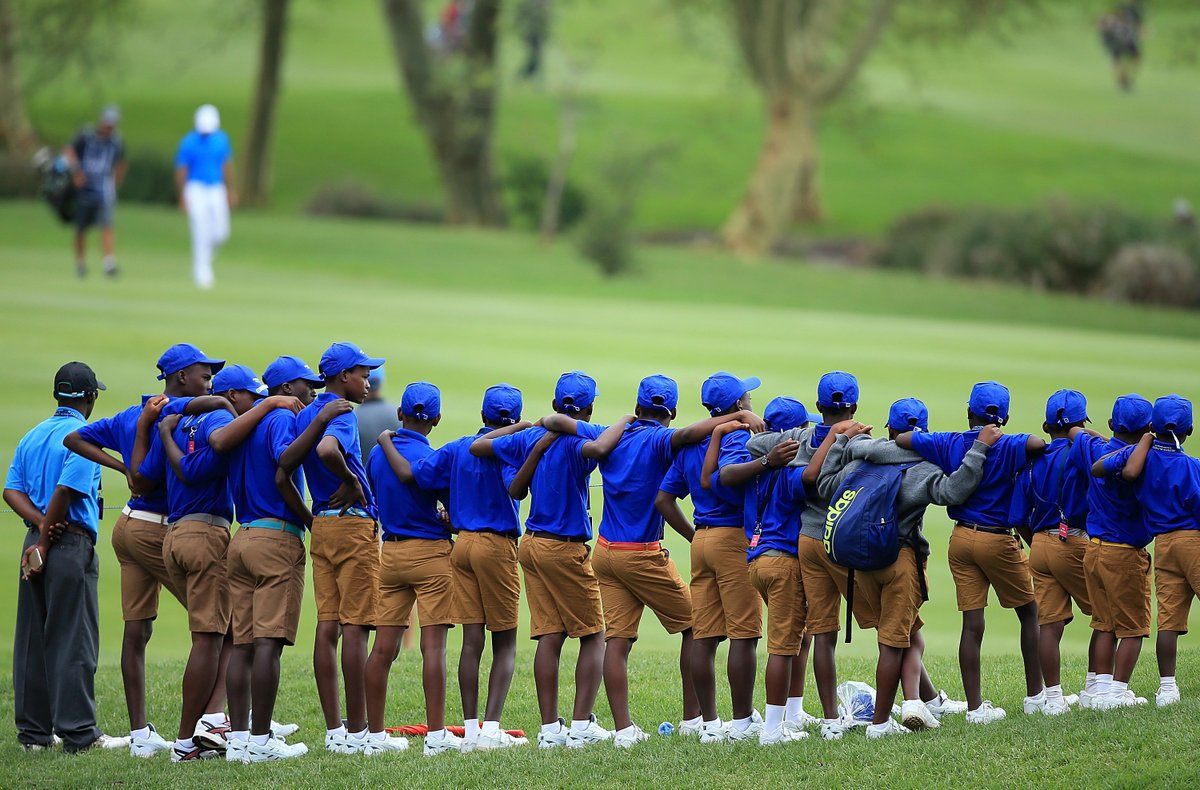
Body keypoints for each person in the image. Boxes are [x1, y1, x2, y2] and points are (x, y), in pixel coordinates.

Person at [548, 375, 763, 745]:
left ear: (636, 408)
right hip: (642, 554)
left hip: (605, 551)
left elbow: (556, 422)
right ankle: (695, 719)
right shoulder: (662, 440)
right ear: (673, 412)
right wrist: (739, 419)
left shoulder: (609, 433)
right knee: (697, 628)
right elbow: (688, 434)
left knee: (617, 640)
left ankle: (624, 731)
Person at [63, 343, 225, 756]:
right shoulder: (177, 415)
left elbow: (75, 437)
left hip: (128, 527)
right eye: (205, 375)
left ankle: (140, 736)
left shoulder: (132, 414)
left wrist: (116, 466)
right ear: (182, 377)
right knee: (221, 627)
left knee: (137, 630)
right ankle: (214, 723)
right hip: (160, 532)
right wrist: (127, 470)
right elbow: (144, 478)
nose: (210, 382)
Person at [135, 366, 302, 762]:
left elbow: (176, 470)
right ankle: (192, 740)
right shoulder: (222, 420)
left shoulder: (181, 423)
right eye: (251, 395)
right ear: (233, 396)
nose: (257, 401)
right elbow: (226, 447)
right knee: (219, 640)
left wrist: (158, 432)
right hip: (209, 535)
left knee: (232, 638)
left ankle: (231, 729)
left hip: (183, 533)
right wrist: (273, 404)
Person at [814, 399, 1000, 738]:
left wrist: (842, 442)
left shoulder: (862, 456)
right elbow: (953, 492)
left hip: (861, 562)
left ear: (889, 429)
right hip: (899, 562)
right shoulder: (924, 467)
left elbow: (825, 485)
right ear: (923, 435)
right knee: (894, 643)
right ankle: (881, 723)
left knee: (908, 634)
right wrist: (978, 451)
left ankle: (922, 699)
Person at [470, 372, 618, 749]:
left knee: (550, 635)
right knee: (594, 634)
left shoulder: (527, 438)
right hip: (563, 548)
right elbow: (602, 447)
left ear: (554, 405)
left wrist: (529, 431)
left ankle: (551, 729)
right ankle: (582, 724)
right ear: (588, 409)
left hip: (531, 545)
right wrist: (623, 422)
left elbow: (480, 447)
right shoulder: (578, 441)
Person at [377, 384, 529, 752]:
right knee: (505, 643)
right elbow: (518, 491)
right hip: (497, 546)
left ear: (482, 416)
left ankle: (472, 729)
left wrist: (385, 441)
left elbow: (414, 475)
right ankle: (491, 730)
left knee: (472, 640)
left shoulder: (457, 447)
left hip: (461, 547)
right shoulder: (514, 448)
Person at [894, 381, 1046, 724]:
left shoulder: (947, 441)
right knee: (1030, 614)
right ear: (1004, 417)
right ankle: (1036, 696)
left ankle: (976, 709)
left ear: (968, 412)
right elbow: (1038, 444)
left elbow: (902, 439)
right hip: (999, 541)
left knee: (972, 624)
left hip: (961, 540)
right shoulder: (1010, 445)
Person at [4, 362, 127, 753]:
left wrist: (38, 528)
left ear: (58, 396)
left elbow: (11, 491)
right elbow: (67, 489)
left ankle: (35, 736)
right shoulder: (84, 437)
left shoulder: (33, 435)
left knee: (32, 640)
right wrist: (47, 534)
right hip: (68, 544)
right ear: (90, 398)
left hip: (35, 543)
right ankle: (79, 733)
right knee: (73, 639)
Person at [222, 356, 339, 763]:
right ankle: (259, 742)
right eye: (308, 385)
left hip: (242, 538)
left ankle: (238, 739)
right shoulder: (281, 419)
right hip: (275, 540)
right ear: (287, 389)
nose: (314, 391)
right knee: (268, 644)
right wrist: (310, 521)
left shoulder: (247, 421)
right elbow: (283, 467)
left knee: (242, 646)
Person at [278, 342, 385, 755]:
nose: (368, 381)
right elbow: (326, 450)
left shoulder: (306, 413)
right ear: (344, 377)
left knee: (327, 626)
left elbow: (284, 469)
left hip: (321, 524)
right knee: (356, 626)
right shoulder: (341, 412)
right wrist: (353, 481)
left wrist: (312, 519)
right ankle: (359, 734)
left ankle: (335, 730)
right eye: (362, 373)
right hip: (352, 526)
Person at [699, 397, 825, 745]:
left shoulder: (753, 467)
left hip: (754, 559)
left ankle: (789, 715)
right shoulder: (788, 471)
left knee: (796, 635)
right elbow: (812, 478)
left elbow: (718, 478)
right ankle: (772, 729)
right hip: (783, 560)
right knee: (783, 646)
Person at [658, 372, 766, 743]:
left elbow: (664, 500)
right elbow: (728, 476)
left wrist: (694, 536)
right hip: (733, 538)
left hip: (701, 542)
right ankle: (740, 723)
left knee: (704, 635)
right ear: (738, 405)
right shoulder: (736, 438)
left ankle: (709, 723)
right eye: (748, 398)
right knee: (744, 633)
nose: (751, 401)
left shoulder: (691, 445)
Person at [365, 382, 464, 757]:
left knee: (383, 649)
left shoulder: (377, 456)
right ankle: (437, 735)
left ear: (400, 415)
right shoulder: (434, 457)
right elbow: (454, 517)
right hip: (432, 558)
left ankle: (374, 736)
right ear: (437, 419)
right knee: (433, 648)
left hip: (389, 555)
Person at [1096, 394, 1197, 709]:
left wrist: (1139, 444)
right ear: (1190, 430)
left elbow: (1101, 466)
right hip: (1193, 541)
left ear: (1151, 426)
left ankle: (1167, 689)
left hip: (1164, 545)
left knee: (1169, 620)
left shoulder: (1139, 456)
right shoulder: (1192, 466)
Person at [1009, 390, 1097, 715]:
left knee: (1050, 624)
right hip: (1073, 541)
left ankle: (1054, 700)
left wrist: (1039, 544)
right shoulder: (1081, 456)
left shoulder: (1032, 461)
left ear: (1046, 427)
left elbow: (1017, 517)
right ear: (1081, 426)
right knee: (1108, 616)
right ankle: (1097, 689)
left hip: (1040, 546)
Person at [1069, 394, 1153, 709]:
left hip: (1093, 550)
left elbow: (1077, 433)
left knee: (1104, 623)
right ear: (1148, 429)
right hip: (1125, 554)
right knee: (1133, 627)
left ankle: (1098, 690)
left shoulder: (1093, 449)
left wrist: (1101, 437)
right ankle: (1117, 693)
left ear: (1111, 424)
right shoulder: (1145, 458)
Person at [175, 104, 235, 289]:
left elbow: (227, 164)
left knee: (221, 233)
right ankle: (201, 270)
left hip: (216, 187)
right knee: (200, 231)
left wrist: (231, 189)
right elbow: (181, 169)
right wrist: (182, 195)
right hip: (195, 188)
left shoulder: (221, 140)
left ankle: (204, 263)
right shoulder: (188, 142)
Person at [63, 106, 125, 278]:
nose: (109, 127)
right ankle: (80, 264)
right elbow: (68, 152)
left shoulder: (116, 142)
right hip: (84, 190)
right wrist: (76, 172)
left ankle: (109, 264)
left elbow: (120, 164)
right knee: (81, 229)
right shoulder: (85, 136)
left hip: (104, 190)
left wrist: (115, 183)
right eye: (107, 123)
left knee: (107, 226)